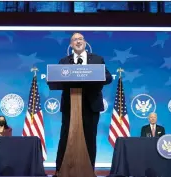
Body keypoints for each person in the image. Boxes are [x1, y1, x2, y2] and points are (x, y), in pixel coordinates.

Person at [54, 32, 112, 176]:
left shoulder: (97, 60)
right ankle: (59, 170)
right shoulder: (64, 61)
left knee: (90, 138)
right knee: (65, 137)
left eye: (80, 39)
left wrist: (94, 76)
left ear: (85, 42)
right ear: (71, 44)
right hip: (70, 105)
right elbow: (56, 78)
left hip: (91, 105)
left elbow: (108, 77)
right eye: (74, 40)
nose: (78, 41)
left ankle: (89, 170)